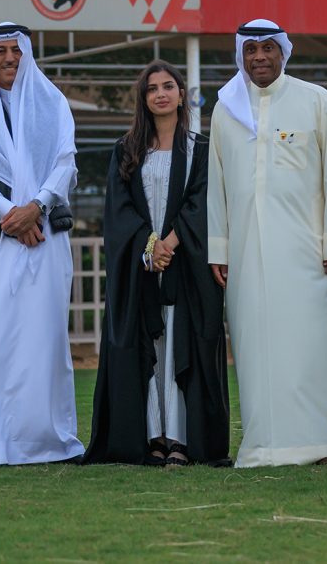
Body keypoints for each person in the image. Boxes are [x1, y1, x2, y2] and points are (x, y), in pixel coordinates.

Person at [207, 19, 327, 467]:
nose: (260, 58)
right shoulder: (225, 109)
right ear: (241, 56)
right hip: (246, 255)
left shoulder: (316, 100)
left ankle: (320, 444)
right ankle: (263, 446)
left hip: (307, 252)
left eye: (268, 48)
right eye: (251, 51)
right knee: (255, 349)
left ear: (283, 52)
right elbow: (217, 186)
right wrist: (219, 248)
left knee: (312, 347)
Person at [0, 22, 84, 466]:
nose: (9, 58)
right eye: (0, 51)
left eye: (16, 51)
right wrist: (12, 213)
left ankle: (51, 440)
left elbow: (64, 163)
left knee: (44, 344)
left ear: (27, 55)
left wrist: (36, 207)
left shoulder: (52, 102)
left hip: (45, 240)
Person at [85, 61, 230, 467]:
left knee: (180, 347)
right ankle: (152, 436)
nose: (161, 94)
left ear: (182, 94)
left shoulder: (201, 149)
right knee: (149, 348)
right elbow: (118, 209)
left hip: (186, 266)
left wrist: (170, 241)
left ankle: (182, 439)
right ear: (144, 99)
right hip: (142, 267)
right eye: (152, 89)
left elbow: (203, 201)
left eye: (169, 86)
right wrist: (149, 245)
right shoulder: (126, 150)